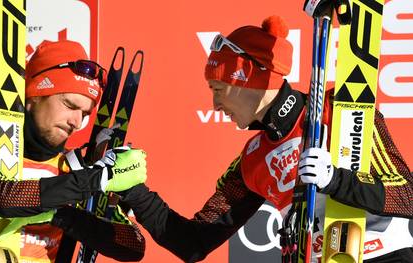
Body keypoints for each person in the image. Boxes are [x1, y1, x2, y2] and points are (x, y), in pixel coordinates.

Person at [104, 16, 413, 262]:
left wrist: (335, 179)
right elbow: (194, 242)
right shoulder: (252, 160)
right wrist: (133, 189)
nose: (215, 105)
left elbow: (407, 196)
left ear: (246, 78)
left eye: (217, 89)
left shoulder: (341, 108)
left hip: (385, 255)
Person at [0, 40, 147, 262]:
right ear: (33, 96)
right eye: (69, 105)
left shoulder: (73, 169)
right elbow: (2, 197)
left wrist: (64, 217)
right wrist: (98, 179)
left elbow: (133, 245)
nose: (77, 122)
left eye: (85, 113)